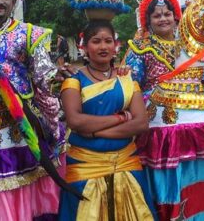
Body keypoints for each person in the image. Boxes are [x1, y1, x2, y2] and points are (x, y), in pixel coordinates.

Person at [0, 0, 66, 220]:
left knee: (18, 201)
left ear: (13, 0)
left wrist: (52, 129)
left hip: (18, 131)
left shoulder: (30, 35)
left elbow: (44, 88)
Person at [58, 20, 155, 220]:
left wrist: (94, 131)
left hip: (127, 165)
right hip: (85, 168)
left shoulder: (127, 79)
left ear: (116, 46)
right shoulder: (74, 81)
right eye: (96, 41)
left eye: (108, 41)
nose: (103, 46)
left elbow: (141, 124)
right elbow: (75, 121)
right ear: (84, 47)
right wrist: (121, 117)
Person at [124, 0, 182, 101]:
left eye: (167, 14)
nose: (163, 19)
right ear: (148, 21)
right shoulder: (141, 48)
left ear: (175, 17)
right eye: (157, 16)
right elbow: (132, 87)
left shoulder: (187, 46)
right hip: (154, 109)